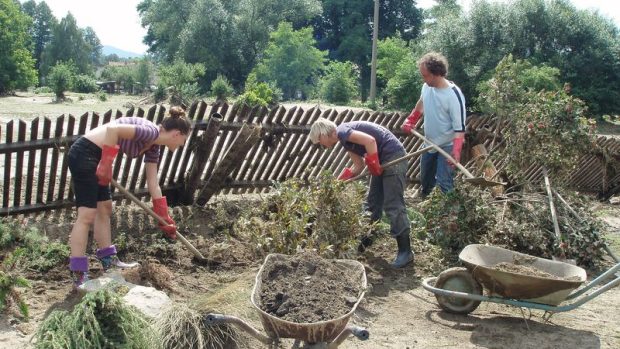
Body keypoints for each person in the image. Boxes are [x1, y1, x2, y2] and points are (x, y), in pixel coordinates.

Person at [67, 106, 191, 288]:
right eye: (184, 140)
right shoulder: (149, 131)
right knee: (86, 215)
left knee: (105, 208)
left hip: (98, 157)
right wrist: (106, 163)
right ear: (177, 134)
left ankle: (108, 260)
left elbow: (153, 183)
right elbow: (113, 130)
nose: (182, 144)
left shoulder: (154, 146)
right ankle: (78, 272)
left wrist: (164, 216)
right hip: (85, 154)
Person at [309, 118, 414, 268]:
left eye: (319, 141)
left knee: (392, 204)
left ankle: (406, 251)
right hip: (383, 161)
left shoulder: (343, 131)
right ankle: (365, 241)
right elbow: (357, 166)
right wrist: (337, 183)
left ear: (324, 135)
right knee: (372, 203)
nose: (321, 145)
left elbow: (370, 141)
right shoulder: (344, 140)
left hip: (393, 157)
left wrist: (374, 164)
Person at [401, 52, 466, 197]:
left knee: (444, 184)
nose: (423, 78)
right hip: (429, 143)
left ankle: (447, 215)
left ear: (436, 74)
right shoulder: (426, 87)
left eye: (425, 75)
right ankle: (426, 208)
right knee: (426, 181)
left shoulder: (454, 95)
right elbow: (421, 103)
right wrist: (411, 119)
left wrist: (456, 150)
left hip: (447, 145)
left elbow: (460, 127)